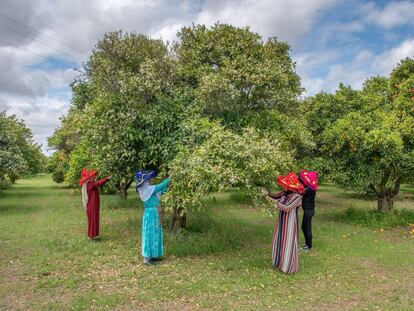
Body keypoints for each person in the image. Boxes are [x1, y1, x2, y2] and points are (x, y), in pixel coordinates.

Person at [268, 172, 304, 274]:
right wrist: (265, 193)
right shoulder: (284, 194)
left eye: (285, 185)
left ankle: (287, 267)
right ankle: (278, 263)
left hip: (289, 224)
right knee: (279, 240)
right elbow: (274, 196)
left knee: (288, 242)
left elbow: (288, 208)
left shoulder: (297, 197)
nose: (283, 186)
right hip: (281, 222)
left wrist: (276, 204)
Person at [136, 170, 170, 266]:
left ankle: (153, 255)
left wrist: (167, 187)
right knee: (149, 234)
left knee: (155, 233)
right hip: (150, 214)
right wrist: (169, 179)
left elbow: (160, 190)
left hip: (155, 213)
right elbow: (159, 187)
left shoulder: (149, 189)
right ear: (144, 182)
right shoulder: (146, 189)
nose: (149, 181)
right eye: (148, 180)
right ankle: (146, 259)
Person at [79, 169, 111, 240]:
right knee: (93, 220)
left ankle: (92, 235)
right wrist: (107, 178)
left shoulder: (88, 183)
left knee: (93, 220)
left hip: (92, 205)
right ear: (88, 178)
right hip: (92, 206)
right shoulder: (90, 184)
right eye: (92, 176)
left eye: (93, 176)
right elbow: (98, 183)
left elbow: (97, 183)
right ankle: (91, 236)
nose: (93, 177)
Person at [298, 170, 318, 251]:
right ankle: (307, 243)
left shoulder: (310, 189)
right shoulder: (310, 187)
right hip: (308, 210)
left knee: (307, 227)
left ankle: (309, 246)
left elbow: (301, 191)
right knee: (304, 226)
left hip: (309, 211)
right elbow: (302, 182)